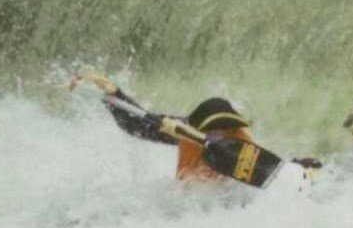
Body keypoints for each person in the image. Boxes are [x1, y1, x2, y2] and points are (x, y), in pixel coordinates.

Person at [77, 71, 256, 182]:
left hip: (220, 203)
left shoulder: (240, 139)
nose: (220, 131)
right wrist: (115, 94)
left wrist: (191, 135)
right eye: (213, 127)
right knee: (137, 126)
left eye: (224, 127)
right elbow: (134, 124)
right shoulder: (184, 129)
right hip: (191, 202)